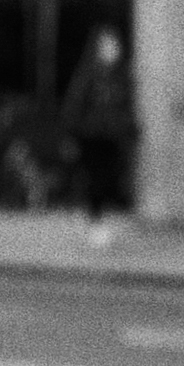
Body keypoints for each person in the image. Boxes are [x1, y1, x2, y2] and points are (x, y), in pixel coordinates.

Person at [62, 24, 135, 242]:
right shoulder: (88, 74)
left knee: (109, 178)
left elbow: (125, 106)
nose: (113, 49)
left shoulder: (121, 75)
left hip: (111, 136)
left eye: (115, 44)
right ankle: (95, 222)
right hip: (91, 135)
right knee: (96, 179)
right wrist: (71, 135)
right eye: (108, 45)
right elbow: (74, 105)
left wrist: (129, 129)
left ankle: (98, 219)